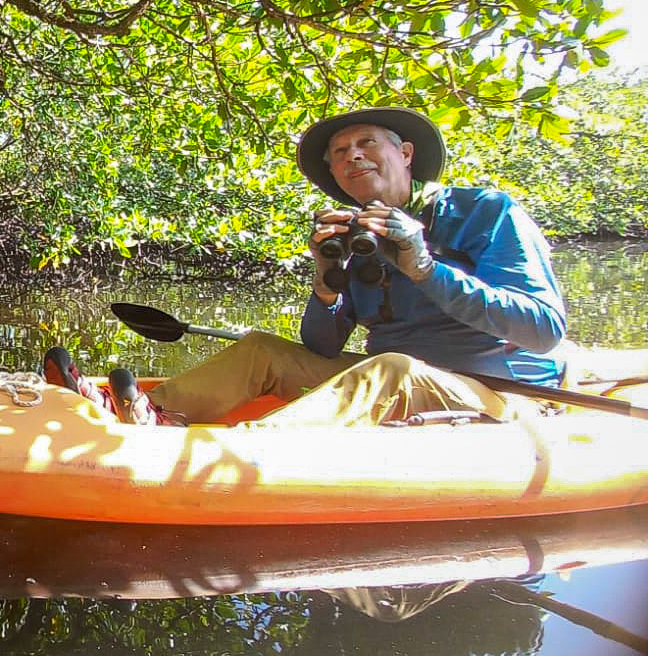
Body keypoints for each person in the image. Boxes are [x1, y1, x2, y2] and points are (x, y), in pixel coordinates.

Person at [44, 107, 568, 427]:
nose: (352, 156)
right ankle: (136, 410)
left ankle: (243, 452)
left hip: (497, 392)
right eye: (340, 152)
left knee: (392, 368)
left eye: (367, 143)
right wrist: (324, 280)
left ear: (405, 153)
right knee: (260, 350)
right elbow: (321, 350)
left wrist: (425, 266)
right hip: (386, 383)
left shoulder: (486, 212)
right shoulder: (353, 236)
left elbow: (543, 331)